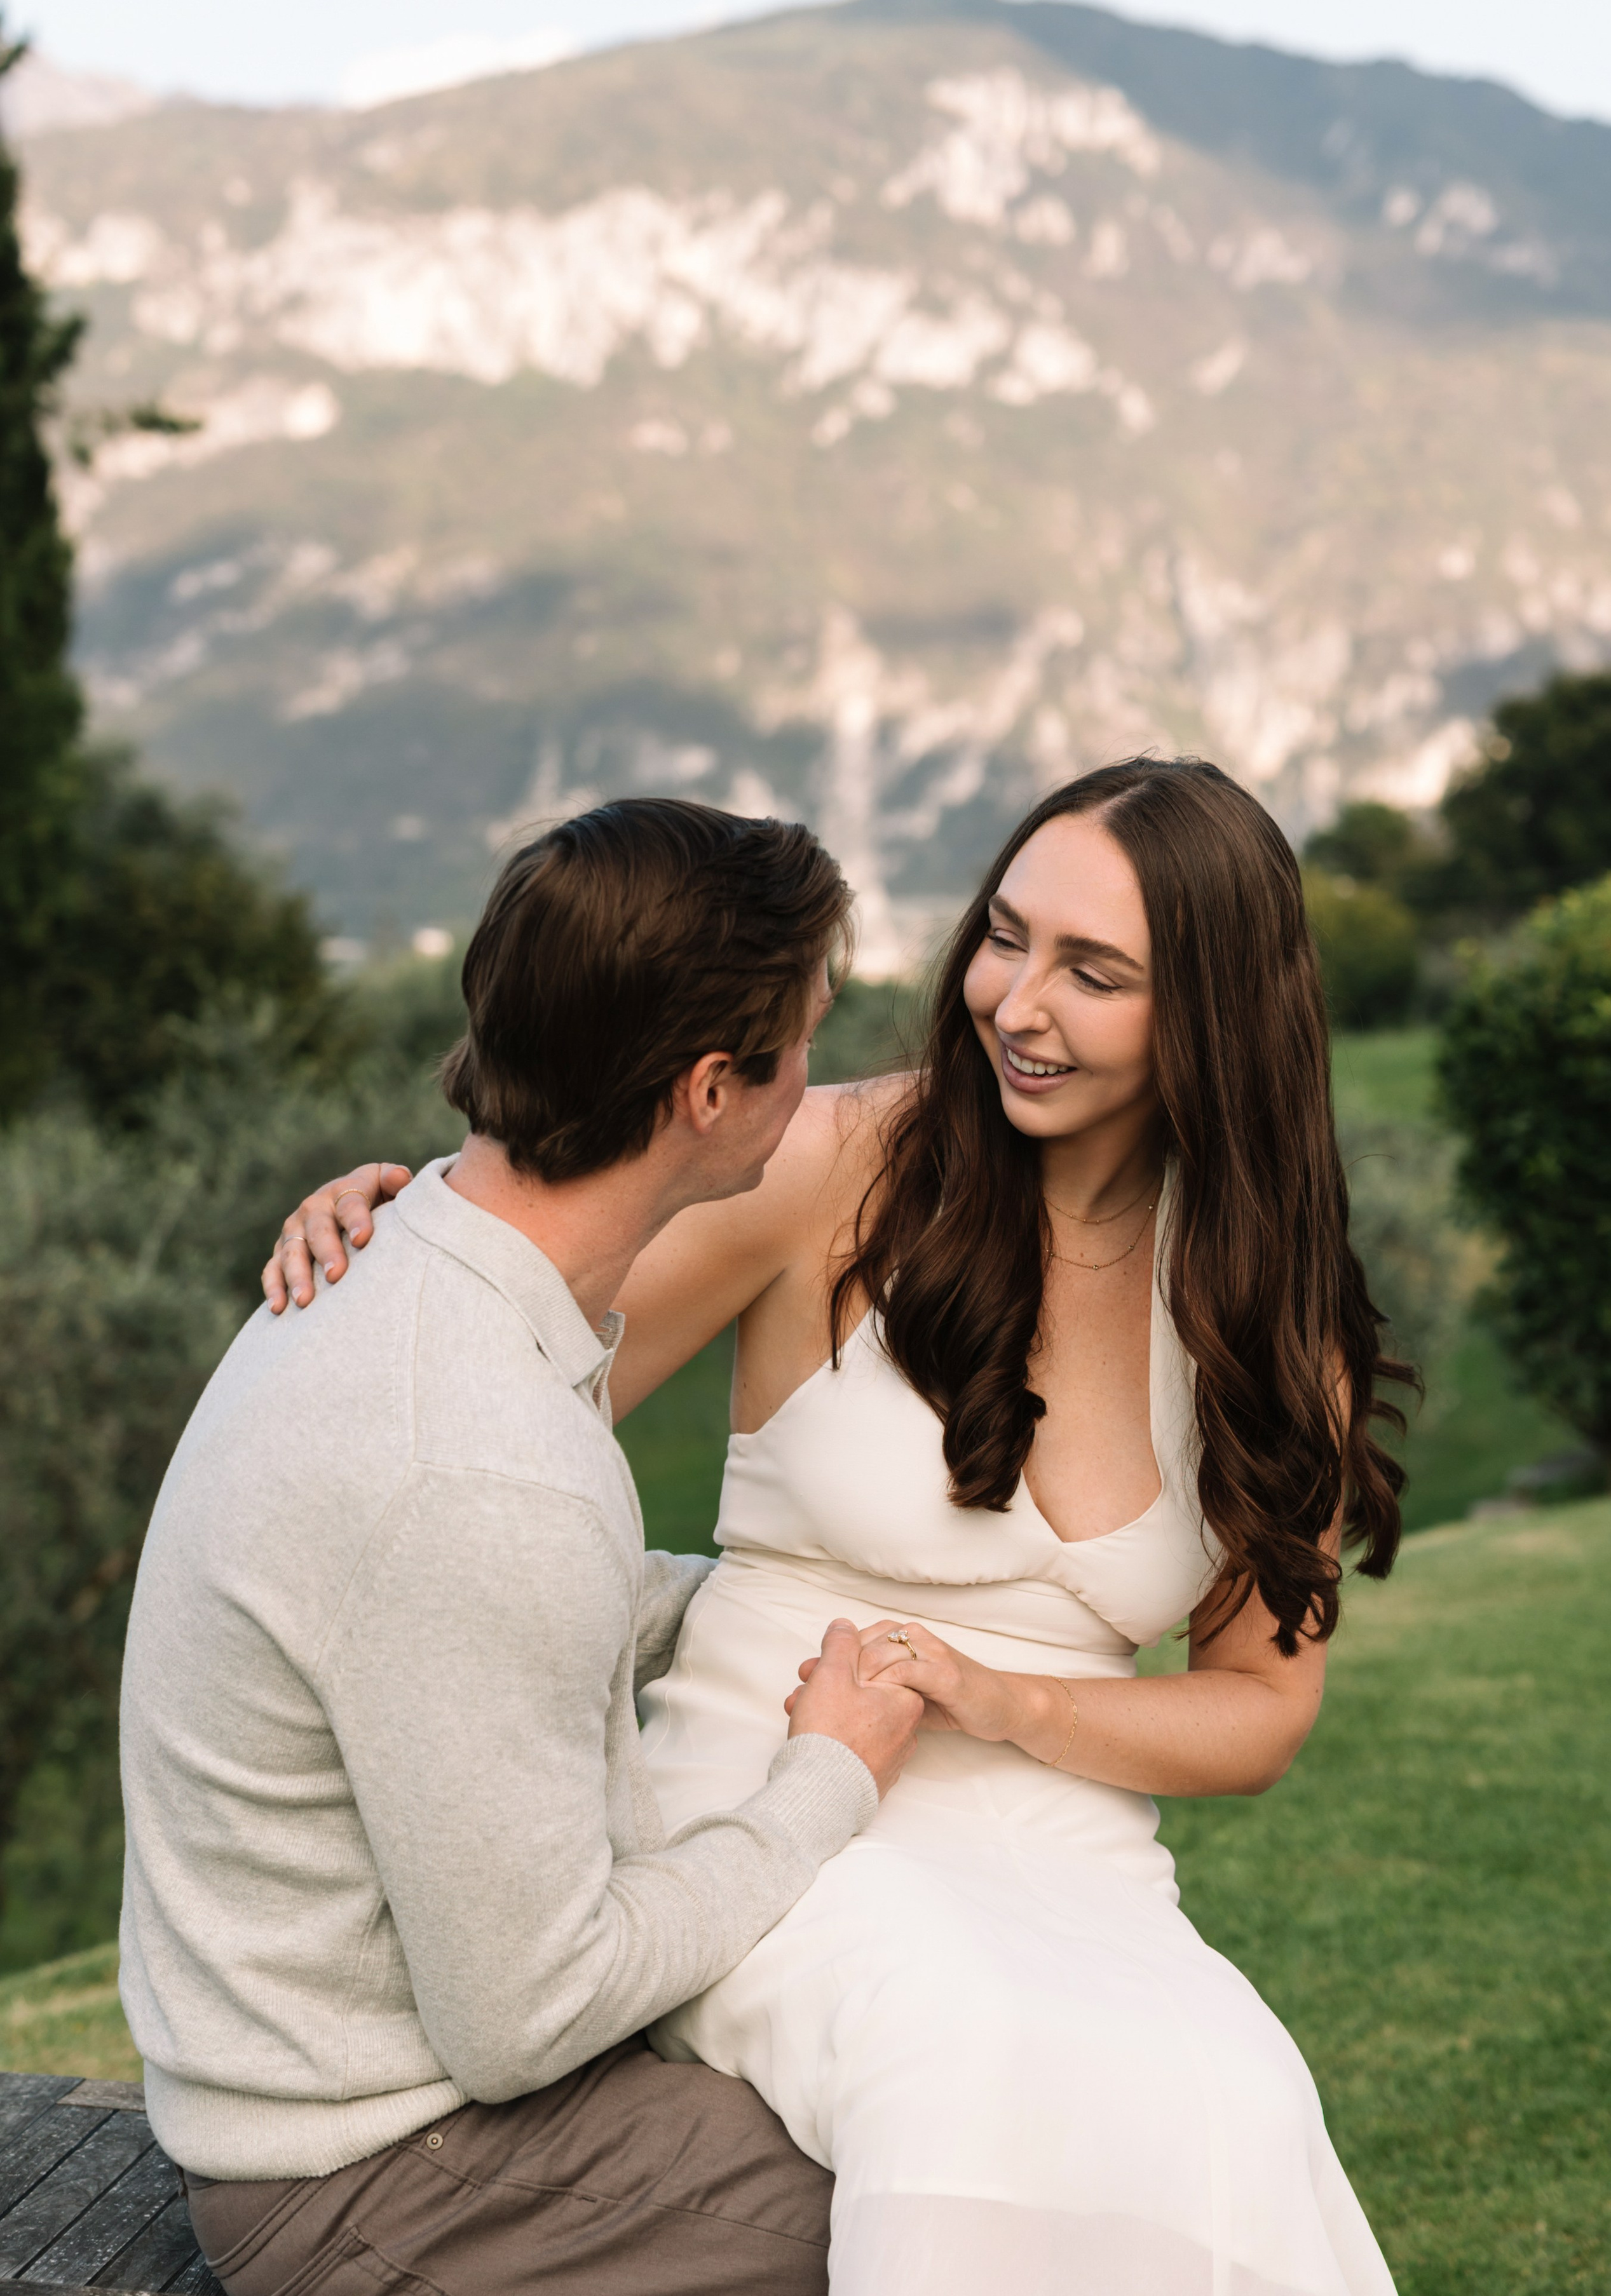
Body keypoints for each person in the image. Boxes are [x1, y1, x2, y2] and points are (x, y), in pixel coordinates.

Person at [272, 757, 1411, 2295]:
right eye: (1005, 937)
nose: (1015, 1001)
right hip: (772, 1791)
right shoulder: (833, 1166)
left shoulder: (1270, 1317)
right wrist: (389, 1239)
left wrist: (1003, 1701)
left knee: (1235, 2099)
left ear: (1209, 1012)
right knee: (955, 2046)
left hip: (1068, 1862)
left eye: (1094, 973)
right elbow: (492, 1369)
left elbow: (1259, 1710)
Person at [119, 800, 927, 2296]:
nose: (816, 1084)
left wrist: (766, 1609)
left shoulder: (419, 1260)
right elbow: (529, 2014)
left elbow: (481, 1629)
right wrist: (830, 1779)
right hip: (376, 2177)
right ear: (707, 1093)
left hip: (367, 2102)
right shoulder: (479, 1466)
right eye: (803, 1044)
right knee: (969, 2206)